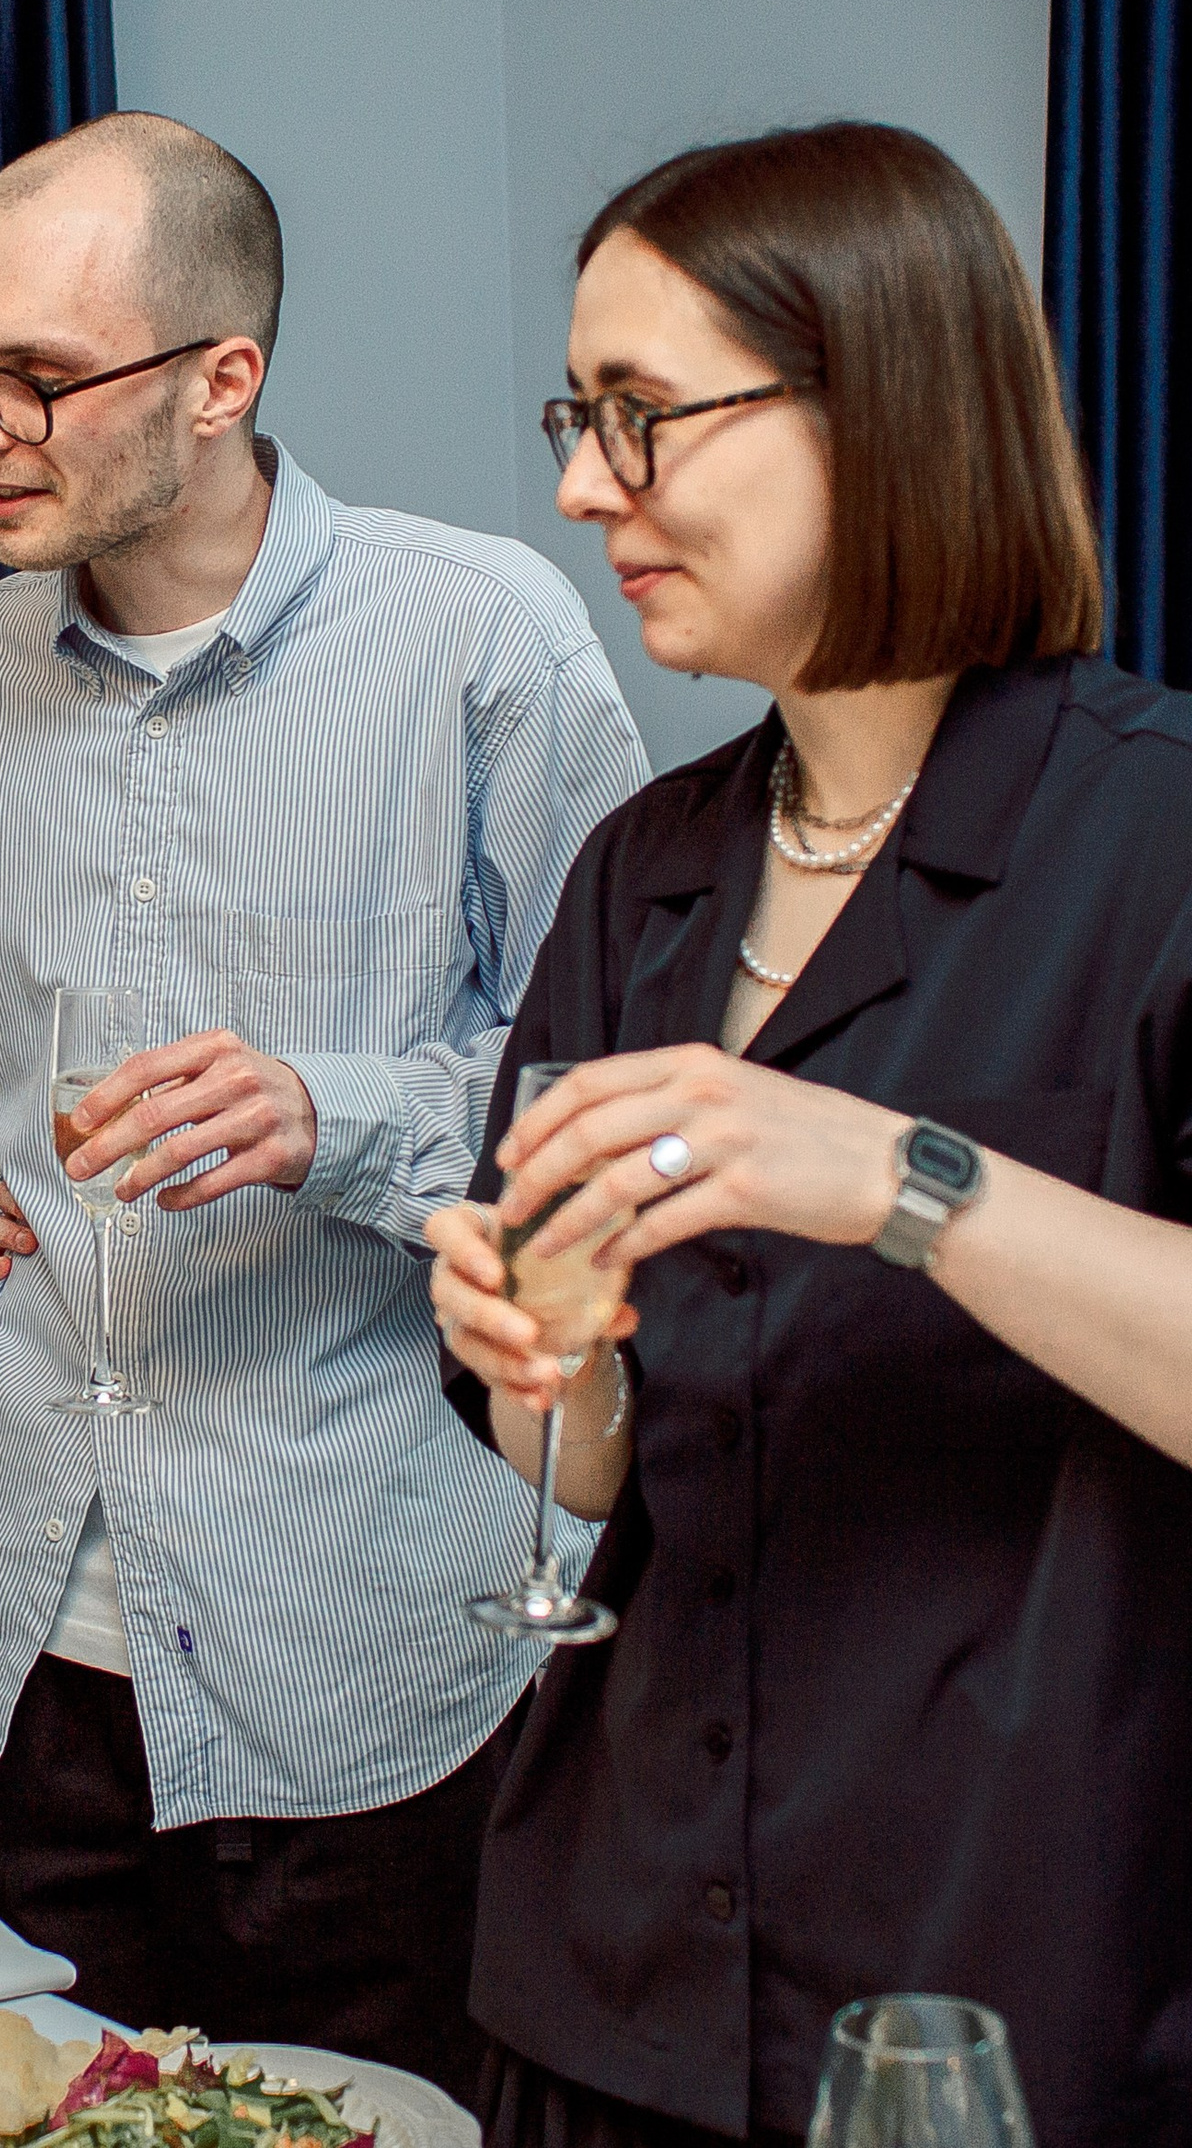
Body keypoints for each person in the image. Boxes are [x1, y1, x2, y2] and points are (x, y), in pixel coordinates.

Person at [0, 111, 647, 2097]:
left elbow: (614, 1063)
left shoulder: (481, 643)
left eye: (32, 378)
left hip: (358, 1655)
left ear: (219, 377)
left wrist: (331, 1114)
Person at [425, 120, 1192, 2147]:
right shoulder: (635, 877)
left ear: (882, 402)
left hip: (1006, 1999)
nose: (583, 484)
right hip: (610, 1983)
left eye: (640, 416)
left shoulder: (1156, 838)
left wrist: (900, 1178)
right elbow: (581, 1460)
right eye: (572, 416)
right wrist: (539, 1344)